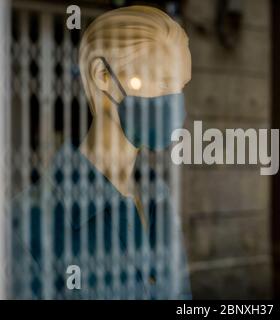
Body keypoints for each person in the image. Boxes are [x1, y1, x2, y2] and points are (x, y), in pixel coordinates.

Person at [10, 6, 192, 299]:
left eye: (180, 87)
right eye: (162, 83)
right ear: (103, 76)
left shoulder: (159, 199)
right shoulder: (29, 225)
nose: (175, 104)